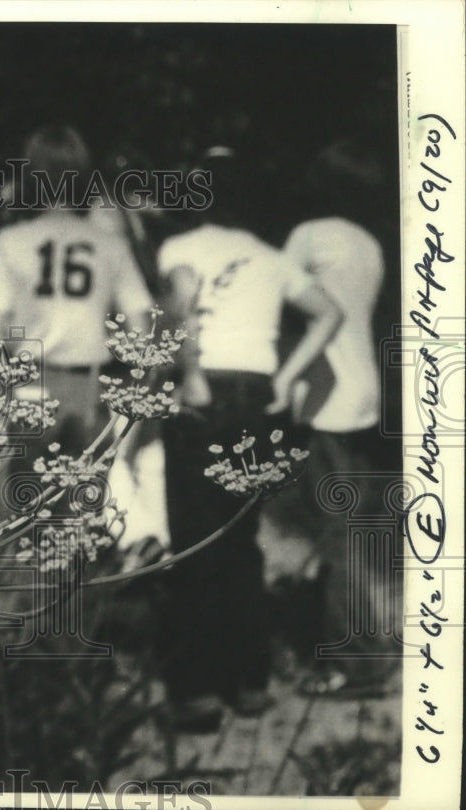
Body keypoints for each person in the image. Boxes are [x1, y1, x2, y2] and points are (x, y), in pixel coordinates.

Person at [155, 147, 342, 731]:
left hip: (205, 385)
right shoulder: (269, 256)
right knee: (240, 539)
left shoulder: (179, 249)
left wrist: (188, 376)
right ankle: (249, 679)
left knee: (193, 539)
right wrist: (288, 376)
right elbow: (328, 313)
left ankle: (196, 690)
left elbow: (179, 313)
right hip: (258, 393)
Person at [276, 153, 393, 697]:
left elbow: (277, 296)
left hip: (327, 396)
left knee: (338, 533)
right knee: (350, 531)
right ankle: (357, 643)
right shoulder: (368, 242)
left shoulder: (307, 235)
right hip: (364, 390)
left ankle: (359, 661)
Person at [0, 125, 153, 462]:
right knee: (83, 505)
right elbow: (142, 334)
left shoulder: (10, 242)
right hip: (89, 390)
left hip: (29, 383)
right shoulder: (112, 246)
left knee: (25, 504)